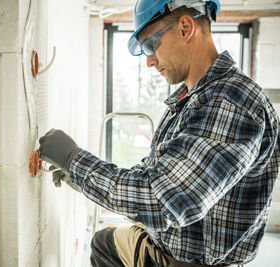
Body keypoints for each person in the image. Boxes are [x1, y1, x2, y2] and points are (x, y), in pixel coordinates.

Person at [39, 0, 280, 266]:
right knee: (104, 240)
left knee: (103, 244)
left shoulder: (232, 101)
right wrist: (82, 178)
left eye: (151, 45)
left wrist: (75, 160)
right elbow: (156, 171)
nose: (150, 61)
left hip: (188, 261)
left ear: (185, 28)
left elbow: (161, 200)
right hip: (169, 241)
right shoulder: (193, 98)